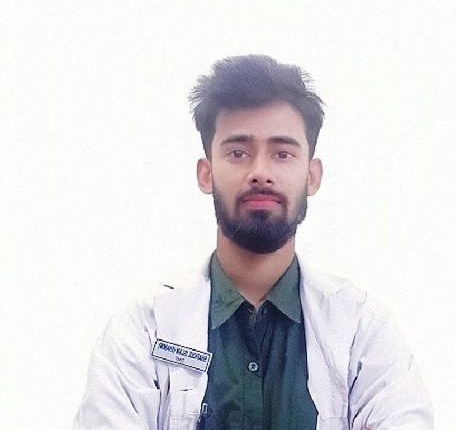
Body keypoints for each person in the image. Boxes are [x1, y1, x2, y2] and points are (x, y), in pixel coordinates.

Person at [73, 55, 433, 429]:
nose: (260, 172)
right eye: (238, 153)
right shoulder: (141, 332)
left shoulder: (363, 330)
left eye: (282, 153)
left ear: (311, 176)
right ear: (206, 174)